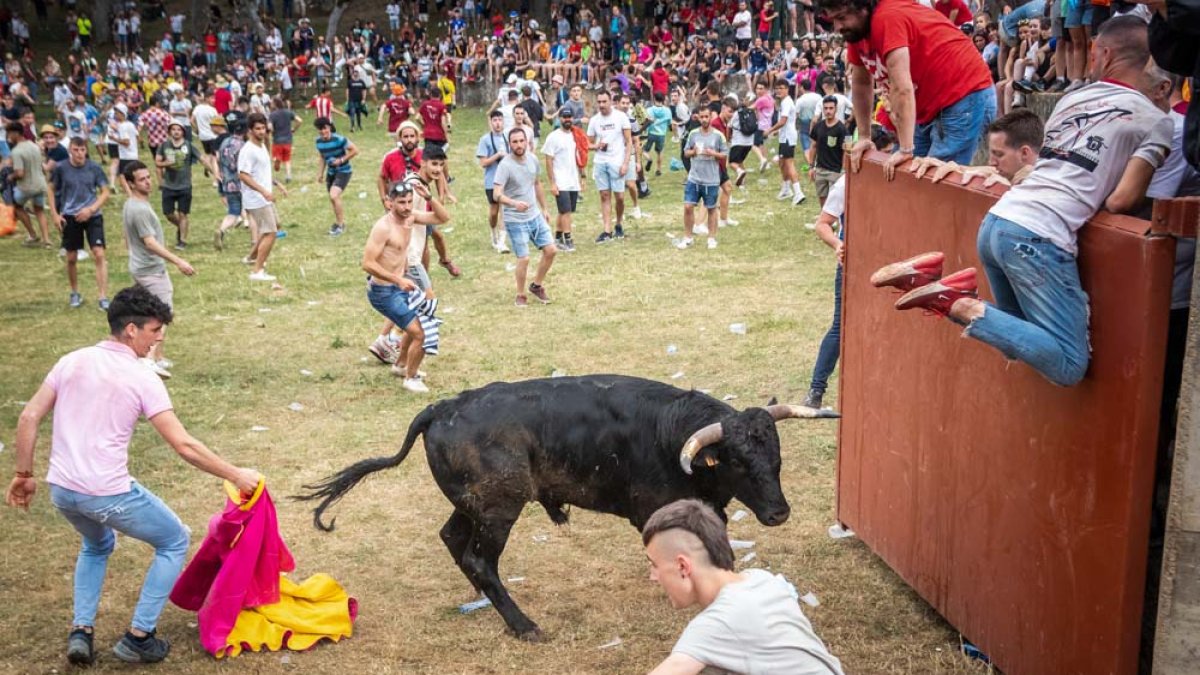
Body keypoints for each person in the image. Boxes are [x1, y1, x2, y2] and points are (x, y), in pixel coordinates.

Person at [872, 16, 1173, 387]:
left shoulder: (1071, 99)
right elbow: (1123, 199)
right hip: (1039, 237)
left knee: (1017, 340)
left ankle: (934, 288)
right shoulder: (1156, 120)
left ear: (1103, 54)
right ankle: (955, 298)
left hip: (998, 222)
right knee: (1069, 365)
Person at [4, 284, 260, 666]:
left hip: (63, 491)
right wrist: (236, 474)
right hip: (105, 493)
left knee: (96, 545)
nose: (159, 340)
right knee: (174, 539)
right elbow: (184, 445)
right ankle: (139, 636)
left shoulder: (71, 360)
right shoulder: (143, 377)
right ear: (131, 330)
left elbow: (28, 416)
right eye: (155, 331)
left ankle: (81, 631)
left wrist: (24, 474)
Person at [642, 499, 845, 674]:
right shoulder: (760, 579)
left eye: (654, 564)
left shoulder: (719, 624)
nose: (653, 576)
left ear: (683, 566)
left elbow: (675, 667)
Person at [823, 0, 997, 180]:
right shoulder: (857, 31)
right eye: (833, 20)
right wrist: (864, 137)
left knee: (935, 183)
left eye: (842, 17)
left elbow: (902, 87)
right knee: (903, 175)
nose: (837, 27)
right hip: (928, 105)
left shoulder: (887, 17)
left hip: (964, 94)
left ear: (863, 7)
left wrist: (906, 149)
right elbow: (861, 83)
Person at [362, 180, 448, 393]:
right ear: (389, 202)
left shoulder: (410, 217)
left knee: (419, 321)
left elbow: (443, 218)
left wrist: (428, 198)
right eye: (401, 202)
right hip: (383, 291)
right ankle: (411, 378)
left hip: (401, 286)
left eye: (410, 201)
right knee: (420, 333)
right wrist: (397, 279)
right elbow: (367, 263)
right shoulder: (383, 227)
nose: (407, 206)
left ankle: (401, 365)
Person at [121, 160, 195, 379]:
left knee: (148, 312)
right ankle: (149, 360)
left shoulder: (131, 204)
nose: (148, 182)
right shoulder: (139, 209)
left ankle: (157, 357)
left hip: (140, 266)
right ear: (131, 184)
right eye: (141, 179)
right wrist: (178, 261)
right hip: (150, 270)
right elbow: (150, 243)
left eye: (148, 177)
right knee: (162, 315)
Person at [493, 126, 557, 307]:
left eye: (522, 141)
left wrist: (544, 208)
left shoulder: (533, 160)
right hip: (515, 219)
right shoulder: (505, 165)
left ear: (527, 142)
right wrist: (514, 203)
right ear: (509, 144)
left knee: (551, 250)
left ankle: (536, 285)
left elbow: (536, 184)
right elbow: (497, 194)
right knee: (524, 258)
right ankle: (520, 294)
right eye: (515, 142)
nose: (519, 145)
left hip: (534, 215)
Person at [50, 136, 111, 310]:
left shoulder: (94, 168)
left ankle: (103, 296)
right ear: (70, 150)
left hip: (93, 215)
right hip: (70, 215)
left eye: (82, 149)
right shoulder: (61, 168)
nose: (79, 153)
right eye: (76, 150)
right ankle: (75, 292)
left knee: (99, 253)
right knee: (71, 257)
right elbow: (51, 188)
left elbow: (105, 192)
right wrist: (55, 214)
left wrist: (91, 209)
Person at [239, 112, 288, 281]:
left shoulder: (262, 146)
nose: (261, 132)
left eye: (263, 128)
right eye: (257, 129)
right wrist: (263, 191)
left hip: (264, 196)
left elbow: (261, 172)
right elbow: (244, 175)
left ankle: (251, 257)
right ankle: (257, 271)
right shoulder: (248, 150)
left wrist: (276, 184)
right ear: (250, 130)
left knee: (274, 225)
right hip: (256, 198)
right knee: (271, 232)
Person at [677, 106, 728, 251]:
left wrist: (713, 153)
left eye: (707, 117)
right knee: (688, 206)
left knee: (711, 208)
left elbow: (724, 154)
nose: (704, 120)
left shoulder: (718, 135)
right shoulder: (693, 134)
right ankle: (688, 237)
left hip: (711, 179)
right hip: (694, 177)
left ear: (711, 117)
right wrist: (693, 152)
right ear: (698, 118)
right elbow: (685, 152)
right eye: (702, 117)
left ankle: (711, 238)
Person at [586, 90, 632, 243]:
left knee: (619, 197)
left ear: (611, 101)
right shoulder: (594, 120)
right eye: (599, 102)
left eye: (604, 102)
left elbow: (629, 141)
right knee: (604, 195)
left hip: (617, 161)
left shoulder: (620, 117)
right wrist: (597, 146)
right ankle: (607, 229)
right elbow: (588, 143)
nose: (601, 105)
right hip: (601, 162)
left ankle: (618, 223)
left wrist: (625, 163)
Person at [541, 106, 581, 252]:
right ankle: (568, 239)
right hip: (560, 180)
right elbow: (549, 160)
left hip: (573, 180)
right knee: (566, 211)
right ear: (560, 119)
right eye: (564, 117)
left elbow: (582, 151)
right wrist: (552, 183)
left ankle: (557, 238)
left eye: (569, 117)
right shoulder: (553, 137)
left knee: (564, 211)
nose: (567, 120)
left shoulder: (575, 135)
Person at [8, 121, 51, 246]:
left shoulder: (16, 151)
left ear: (16, 133)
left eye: (10, 133)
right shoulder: (34, 145)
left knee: (17, 207)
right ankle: (46, 239)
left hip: (26, 187)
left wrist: (11, 176)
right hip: (40, 183)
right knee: (39, 210)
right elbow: (41, 166)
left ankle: (32, 235)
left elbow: (20, 173)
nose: (9, 136)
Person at [153, 121, 194, 250]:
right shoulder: (164, 146)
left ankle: (182, 240)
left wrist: (214, 171)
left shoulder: (189, 146)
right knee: (168, 214)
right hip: (169, 185)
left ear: (183, 132)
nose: (176, 132)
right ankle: (181, 227)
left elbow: (203, 158)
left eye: (179, 129)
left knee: (183, 214)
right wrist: (167, 164)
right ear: (170, 131)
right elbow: (157, 163)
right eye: (173, 129)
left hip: (185, 185)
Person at [314, 116, 357, 237]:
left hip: (344, 171)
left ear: (330, 127)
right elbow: (322, 157)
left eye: (325, 128)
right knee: (333, 199)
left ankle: (341, 225)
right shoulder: (318, 142)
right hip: (331, 173)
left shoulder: (340, 139)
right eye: (320, 129)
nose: (323, 132)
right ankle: (339, 222)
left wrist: (341, 160)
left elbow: (355, 150)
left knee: (334, 195)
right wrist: (320, 174)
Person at [766, 79, 806, 206]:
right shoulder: (784, 102)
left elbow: (783, 121)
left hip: (788, 137)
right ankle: (786, 189)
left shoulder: (787, 102)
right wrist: (777, 132)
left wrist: (770, 130)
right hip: (784, 137)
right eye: (777, 88)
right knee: (782, 163)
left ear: (787, 89)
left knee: (789, 164)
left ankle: (798, 192)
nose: (779, 90)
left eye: (781, 88)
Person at [477, 109, 512, 253]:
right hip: (491, 180)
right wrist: (497, 155)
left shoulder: (508, 137)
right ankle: (493, 233)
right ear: (491, 123)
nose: (498, 123)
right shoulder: (485, 140)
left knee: (505, 210)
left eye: (500, 120)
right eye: (495, 120)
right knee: (494, 212)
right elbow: (483, 162)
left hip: (506, 181)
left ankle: (503, 242)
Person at [807, 96, 849, 207]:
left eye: (831, 108)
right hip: (820, 169)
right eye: (825, 108)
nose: (828, 111)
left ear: (836, 109)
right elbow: (813, 146)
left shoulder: (843, 129)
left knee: (836, 198)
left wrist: (843, 170)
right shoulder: (818, 126)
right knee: (822, 196)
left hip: (836, 170)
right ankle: (824, 219)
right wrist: (811, 167)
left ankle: (836, 221)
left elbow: (847, 150)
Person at [644, 92, 672, 176]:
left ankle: (649, 159)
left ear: (654, 99)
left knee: (644, 150)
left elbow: (645, 121)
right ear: (663, 100)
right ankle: (658, 169)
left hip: (651, 133)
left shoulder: (649, 110)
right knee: (659, 152)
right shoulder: (667, 110)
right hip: (661, 134)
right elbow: (669, 123)